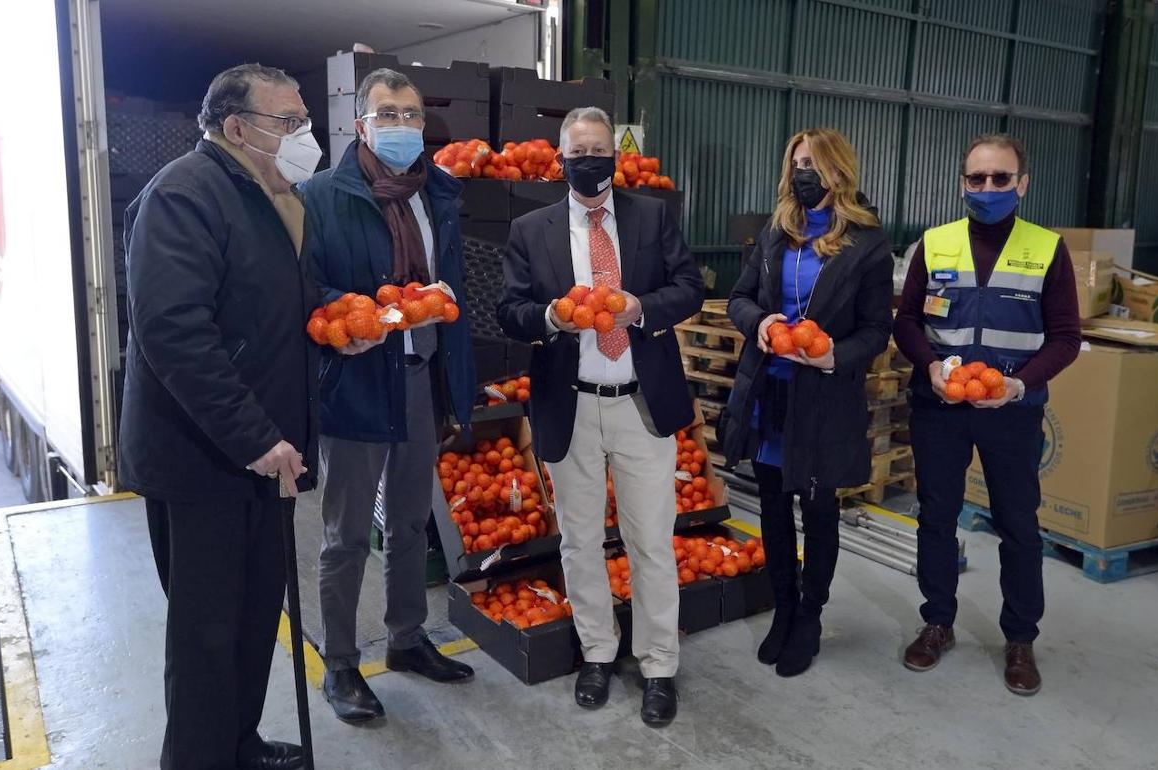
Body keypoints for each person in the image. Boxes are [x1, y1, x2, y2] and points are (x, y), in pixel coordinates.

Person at [120, 63, 322, 770]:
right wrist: (255, 436)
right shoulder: (184, 195)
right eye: (288, 122)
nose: (304, 135)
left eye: (304, 120)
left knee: (252, 618)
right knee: (206, 638)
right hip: (204, 461)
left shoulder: (269, 197)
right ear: (237, 128)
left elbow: (277, 307)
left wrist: (341, 326)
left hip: (263, 461)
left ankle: (238, 744)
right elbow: (174, 332)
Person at [496, 107, 703, 727]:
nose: (590, 161)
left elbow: (690, 286)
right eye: (578, 152)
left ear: (615, 155)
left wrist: (642, 308)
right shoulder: (530, 229)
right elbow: (510, 311)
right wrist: (551, 317)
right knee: (580, 541)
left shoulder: (651, 216)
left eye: (600, 150)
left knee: (651, 541)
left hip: (641, 403)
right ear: (560, 158)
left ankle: (659, 663)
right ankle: (598, 651)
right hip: (572, 404)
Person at [300, 68, 476, 723]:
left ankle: (406, 638)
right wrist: (343, 320)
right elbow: (304, 284)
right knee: (347, 534)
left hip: (419, 374)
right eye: (388, 114)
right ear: (360, 124)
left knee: (408, 520)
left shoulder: (437, 193)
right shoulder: (321, 195)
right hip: (357, 380)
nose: (402, 125)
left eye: (411, 115)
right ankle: (341, 664)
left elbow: (449, 283)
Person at [893, 133, 1081, 696]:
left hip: (1012, 412)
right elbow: (906, 322)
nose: (988, 188)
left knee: (1018, 524)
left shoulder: (1047, 249)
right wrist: (930, 366)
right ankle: (937, 622)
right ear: (962, 183)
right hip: (941, 407)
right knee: (936, 516)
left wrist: (1019, 385)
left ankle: (1020, 638)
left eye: (1001, 178)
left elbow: (1066, 338)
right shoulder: (935, 243)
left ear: (1022, 184)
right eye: (977, 178)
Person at [721, 129, 893, 677]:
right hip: (768, 393)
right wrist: (761, 322)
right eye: (798, 163)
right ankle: (784, 608)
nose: (805, 174)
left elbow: (876, 329)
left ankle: (811, 616)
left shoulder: (867, 243)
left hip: (821, 399)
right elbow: (738, 298)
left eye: (816, 165)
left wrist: (834, 356)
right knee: (771, 508)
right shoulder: (778, 231)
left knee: (818, 512)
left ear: (839, 173)